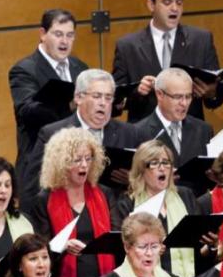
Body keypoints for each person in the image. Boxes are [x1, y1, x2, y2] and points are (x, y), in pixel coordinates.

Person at [24, 128, 116, 277]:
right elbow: (39, 249)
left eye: (88, 159)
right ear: (62, 163)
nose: (84, 165)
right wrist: (62, 246)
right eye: (77, 160)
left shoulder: (105, 194)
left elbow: (117, 239)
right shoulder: (44, 200)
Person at [19, 68, 137, 207]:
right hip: (66, 214)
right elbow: (32, 188)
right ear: (78, 97)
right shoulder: (52, 133)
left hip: (117, 215)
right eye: (97, 96)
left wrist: (133, 180)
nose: (103, 103)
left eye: (108, 97)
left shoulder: (129, 132)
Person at [112, 0, 223, 122]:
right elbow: (115, 100)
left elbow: (217, 93)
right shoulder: (127, 46)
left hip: (188, 134)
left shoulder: (201, 40)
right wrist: (137, 92)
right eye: (167, 2)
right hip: (145, 138)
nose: (175, 8)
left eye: (179, 2)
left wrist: (211, 92)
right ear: (151, 5)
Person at [9, 9, 90, 190]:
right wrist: (68, 105)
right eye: (58, 34)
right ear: (43, 34)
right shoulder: (24, 70)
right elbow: (27, 111)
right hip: (40, 168)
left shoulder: (81, 68)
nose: (64, 41)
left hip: (78, 168)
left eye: (70, 35)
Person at [111, 140, 200, 277]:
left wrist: (210, 246)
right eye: (154, 163)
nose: (162, 168)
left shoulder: (185, 196)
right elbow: (121, 248)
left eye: (166, 163)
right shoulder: (127, 204)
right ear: (141, 170)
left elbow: (198, 243)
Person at [129, 67, 214, 195]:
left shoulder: (203, 130)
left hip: (195, 207)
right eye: (177, 97)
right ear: (159, 94)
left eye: (188, 96)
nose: (184, 103)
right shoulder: (138, 132)